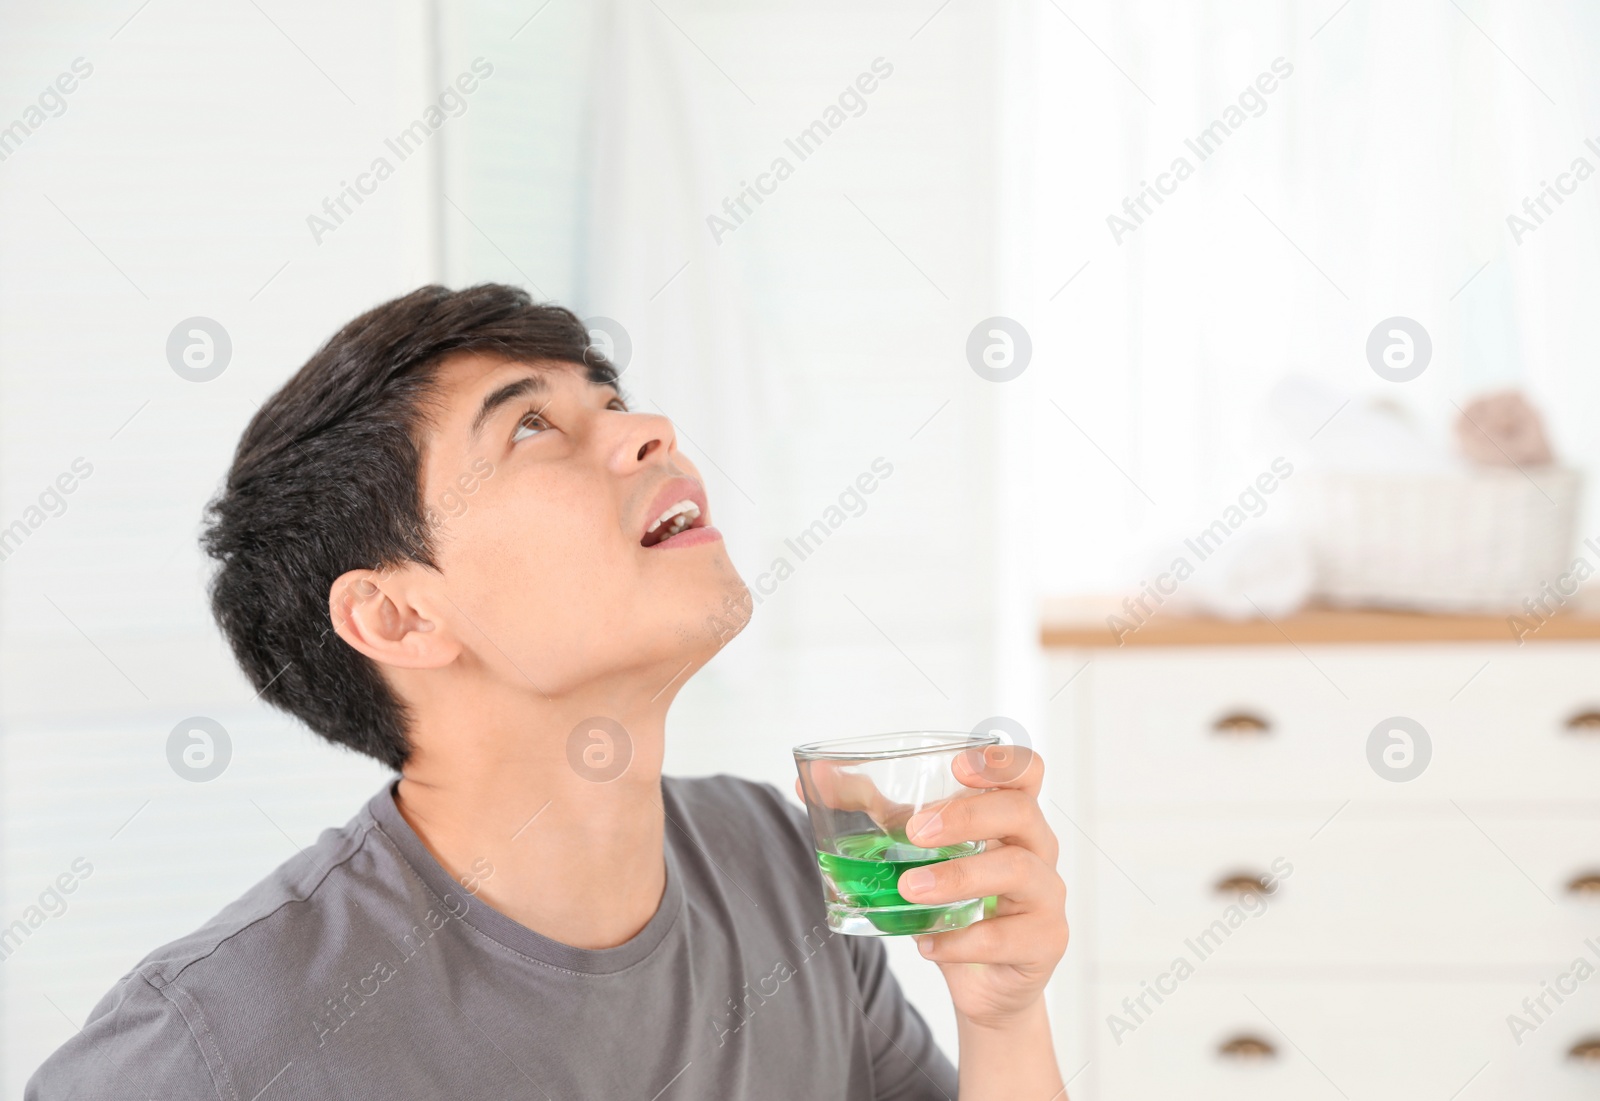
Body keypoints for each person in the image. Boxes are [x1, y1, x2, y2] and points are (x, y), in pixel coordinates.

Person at [27, 284, 1068, 1100]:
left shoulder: (778, 865)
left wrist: (1002, 1017)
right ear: (400, 618)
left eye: (609, 402)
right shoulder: (213, 1042)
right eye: (530, 428)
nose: (649, 427)